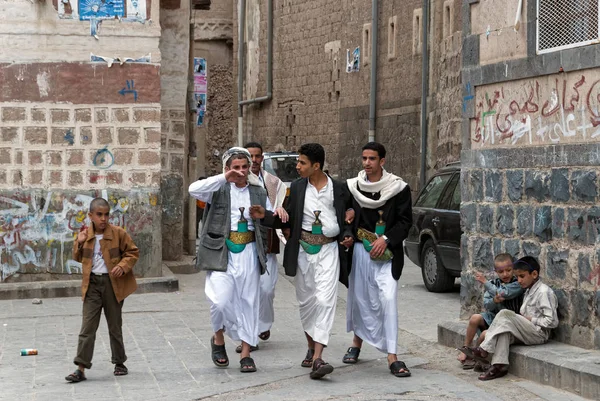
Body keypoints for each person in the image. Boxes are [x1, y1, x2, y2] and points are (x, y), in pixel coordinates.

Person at [250, 143, 353, 380]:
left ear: (316, 166)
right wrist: (264, 216)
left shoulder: (338, 188)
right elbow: (285, 219)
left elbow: (348, 215)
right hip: (304, 251)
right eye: (298, 162)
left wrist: (348, 230)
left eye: (302, 163)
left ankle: (318, 357)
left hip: (329, 249)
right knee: (307, 302)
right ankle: (311, 346)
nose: (297, 166)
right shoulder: (295, 189)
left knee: (325, 300)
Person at [189, 147, 286, 373]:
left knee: (249, 301)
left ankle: (245, 353)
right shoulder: (218, 188)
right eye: (236, 168)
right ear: (227, 168)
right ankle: (218, 338)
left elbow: (269, 216)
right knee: (219, 301)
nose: (241, 172)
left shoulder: (258, 189)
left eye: (244, 167)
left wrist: (265, 214)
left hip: (250, 252)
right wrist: (225, 177)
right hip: (221, 252)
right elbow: (193, 189)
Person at [341, 142, 414, 378]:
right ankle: (356, 342)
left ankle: (392, 355)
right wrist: (348, 233)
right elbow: (346, 219)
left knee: (387, 298)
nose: (367, 163)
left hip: (387, 254)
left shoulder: (398, 188)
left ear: (382, 161)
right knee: (361, 299)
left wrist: (386, 239)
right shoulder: (353, 187)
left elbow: (405, 222)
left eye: (372, 159)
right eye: (364, 158)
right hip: (361, 252)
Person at [65, 198, 139, 383]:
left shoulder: (118, 233)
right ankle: (81, 368)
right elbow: (77, 256)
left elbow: (133, 252)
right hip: (92, 286)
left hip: (113, 284)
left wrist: (123, 266)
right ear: (90, 216)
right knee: (87, 327)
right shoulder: (85, 235)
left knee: (115, 326)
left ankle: (119, 362)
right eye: (99, 215)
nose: (103, 218)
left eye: (106, 214)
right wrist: (79, 243)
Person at [462, 256, 558, 381]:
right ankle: (499, 366)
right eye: (517, 277)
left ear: (534, 274)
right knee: (503, 332)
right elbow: (488, 304)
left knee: (505, 313)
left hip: (538, 333)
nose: (518, 280)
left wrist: (531, 319)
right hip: (527, 330)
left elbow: (552, 321)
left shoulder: (543, 292)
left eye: (522, 276)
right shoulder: (528, 290)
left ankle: (484, 349)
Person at [231, 142, 287, 354]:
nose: (253, 161)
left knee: (266, 289)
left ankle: (264, 324)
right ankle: (249, 337)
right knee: (246, 293)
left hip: (267, 245)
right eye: (250, 157)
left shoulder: (273, 183)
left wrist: (279, 212)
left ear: (262, 158)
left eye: (257, 157)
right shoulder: (235, 182)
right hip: (244, 246)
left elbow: (279, 207)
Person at [457, 253, 524, 371]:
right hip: (493, 317)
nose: (505, 274)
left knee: (484, 334)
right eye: (501, 272)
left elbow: (505, 293)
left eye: (508, 270)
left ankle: (476, 356)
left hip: (508, 320)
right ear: (496, 272)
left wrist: (485, 283)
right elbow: (487, 304)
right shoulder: (494, 283)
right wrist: (495, 300)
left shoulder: (517, 283)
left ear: (513, 268)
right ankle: (466, 348)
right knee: (474, 318)